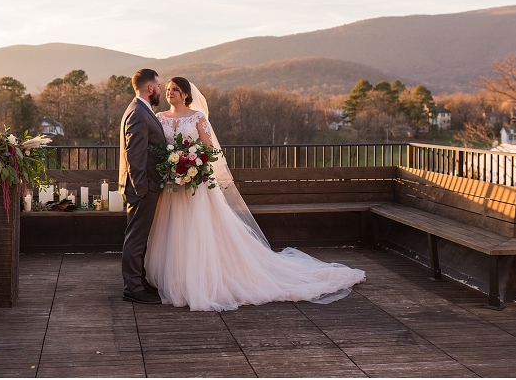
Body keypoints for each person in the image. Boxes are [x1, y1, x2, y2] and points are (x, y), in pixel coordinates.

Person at [145, 77, 366, 311]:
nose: (170, 93)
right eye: (168, 90)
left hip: (196, 185)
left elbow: (211, 151)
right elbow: (158, 151)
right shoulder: (160, 119)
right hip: (172, 187)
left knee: (198, 232)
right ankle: (177, 280)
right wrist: (172, 166)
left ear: (186, 94)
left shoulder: (197, 117)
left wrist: (195, 163)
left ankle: (201, 280)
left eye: (176, 90)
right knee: (175, 232)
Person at [118, 69, 166, 304]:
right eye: (158, 85)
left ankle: (140, 280)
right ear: (150, 88)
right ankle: (132, 288)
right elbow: (134, 154)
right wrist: (142, 189)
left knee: (139, 237)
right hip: (142, 188)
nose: (160, 89)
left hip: (143, 186)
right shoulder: (138, 113)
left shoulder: (141, 110)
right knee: (135, 238)